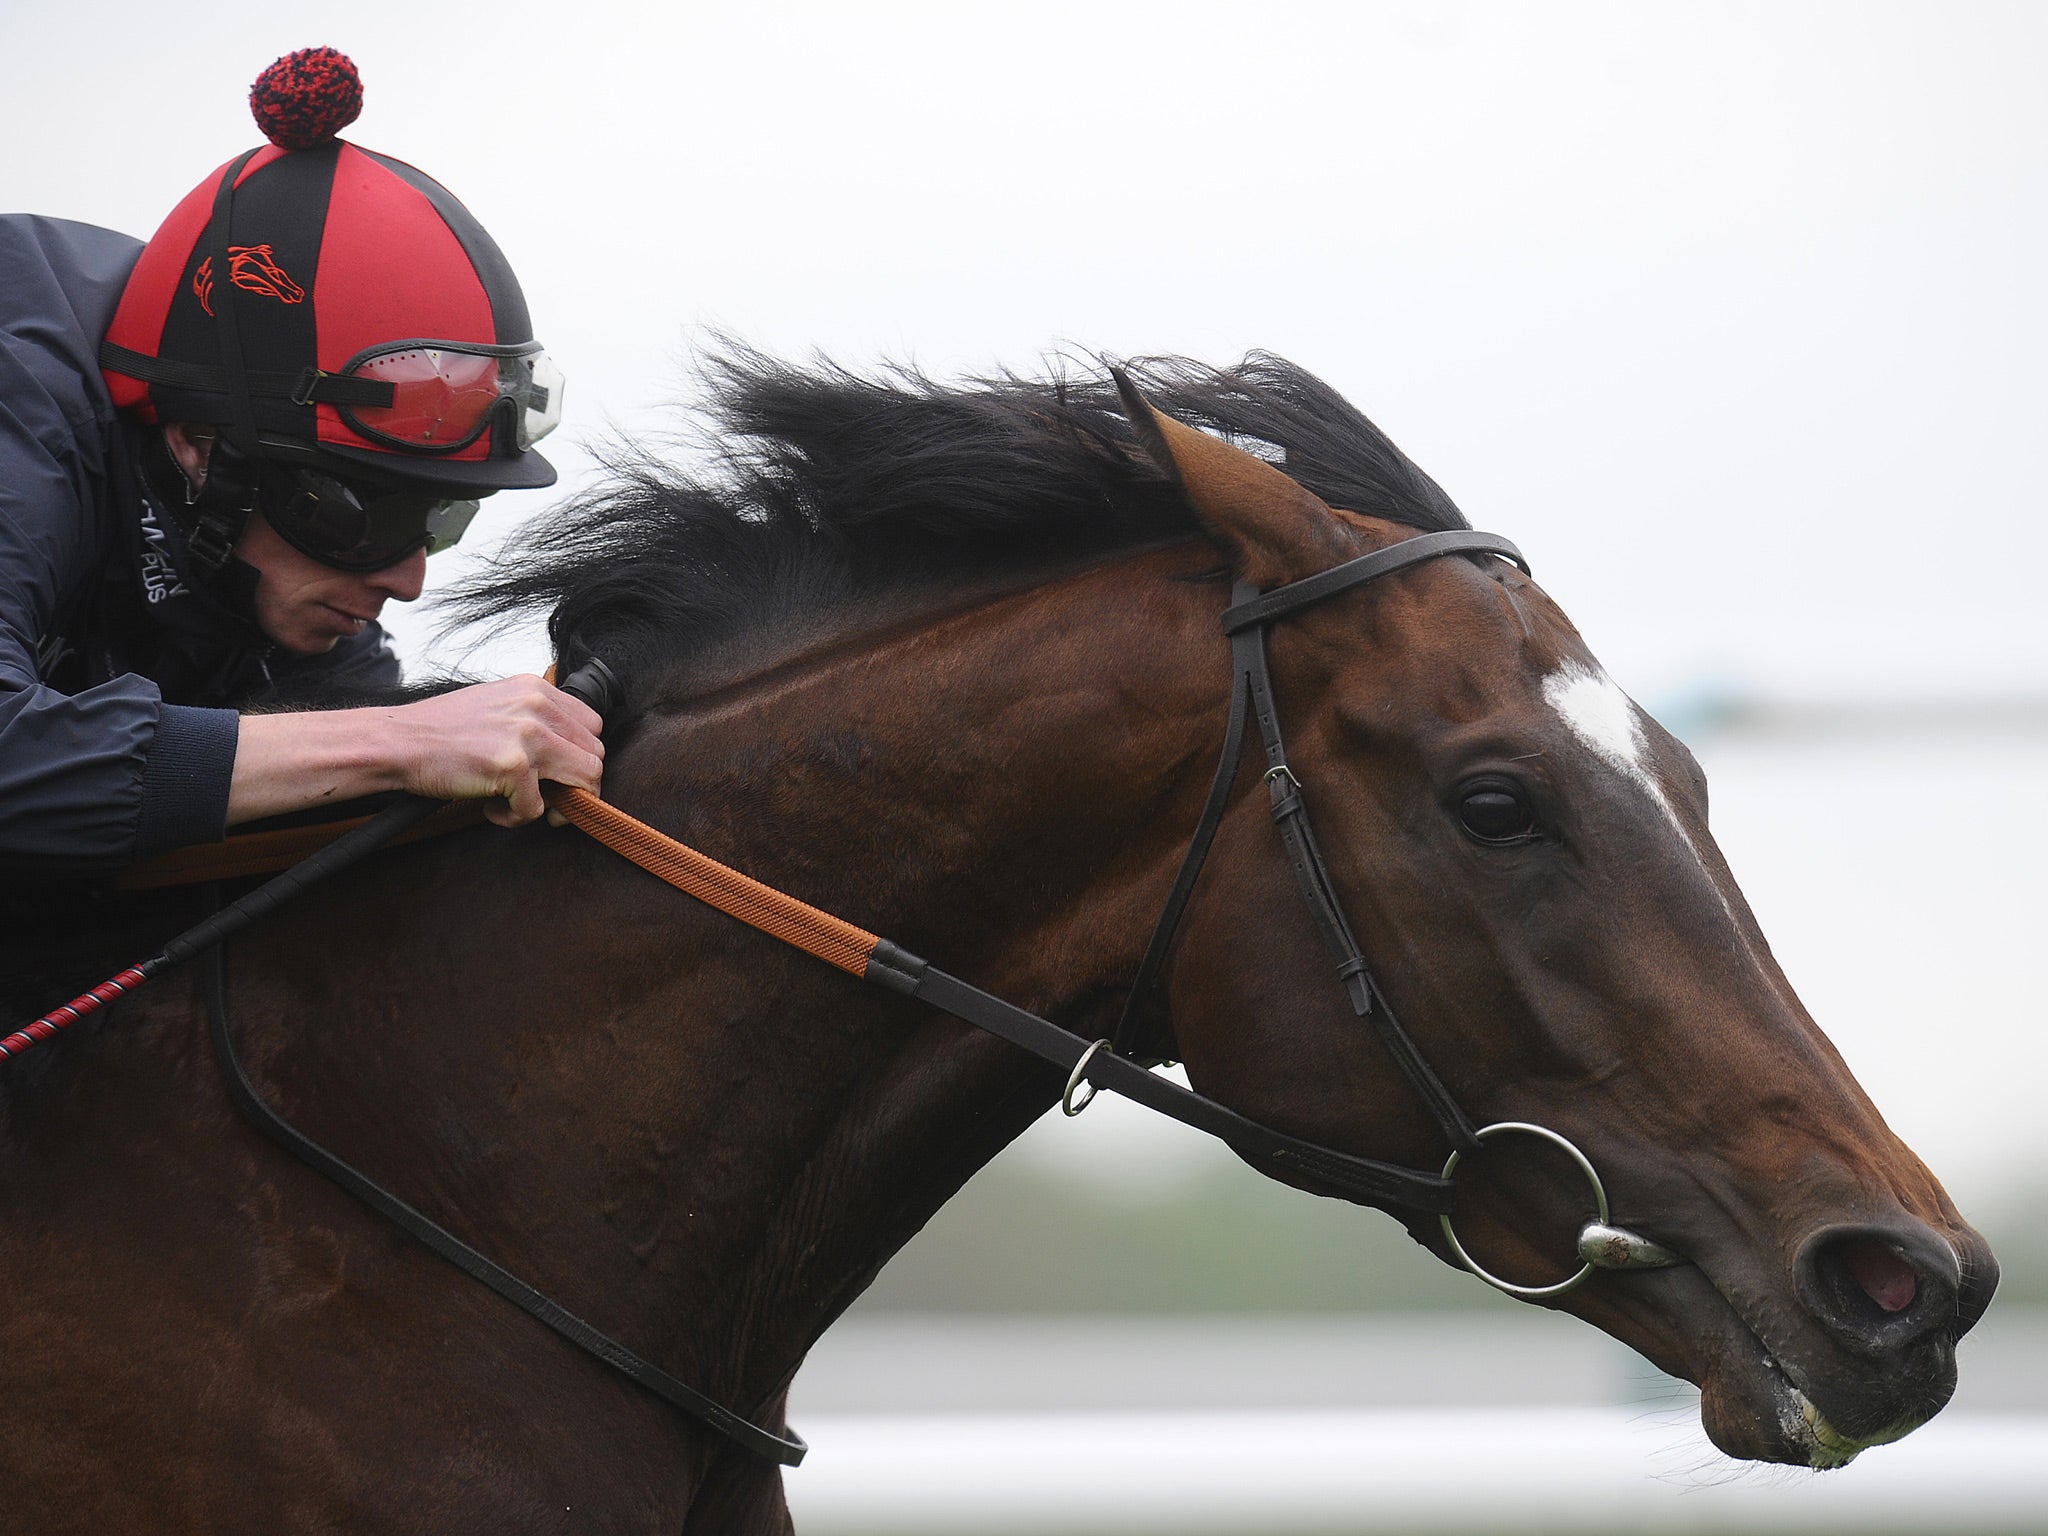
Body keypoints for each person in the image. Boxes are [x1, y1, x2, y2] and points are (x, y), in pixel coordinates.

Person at [0, 48, 602, 876]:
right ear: (194, 444)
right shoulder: (22, 400)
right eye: (363, 517)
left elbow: (366, 748)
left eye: (441, 520)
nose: (409, 581)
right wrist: (395, 739)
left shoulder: (283, 587)